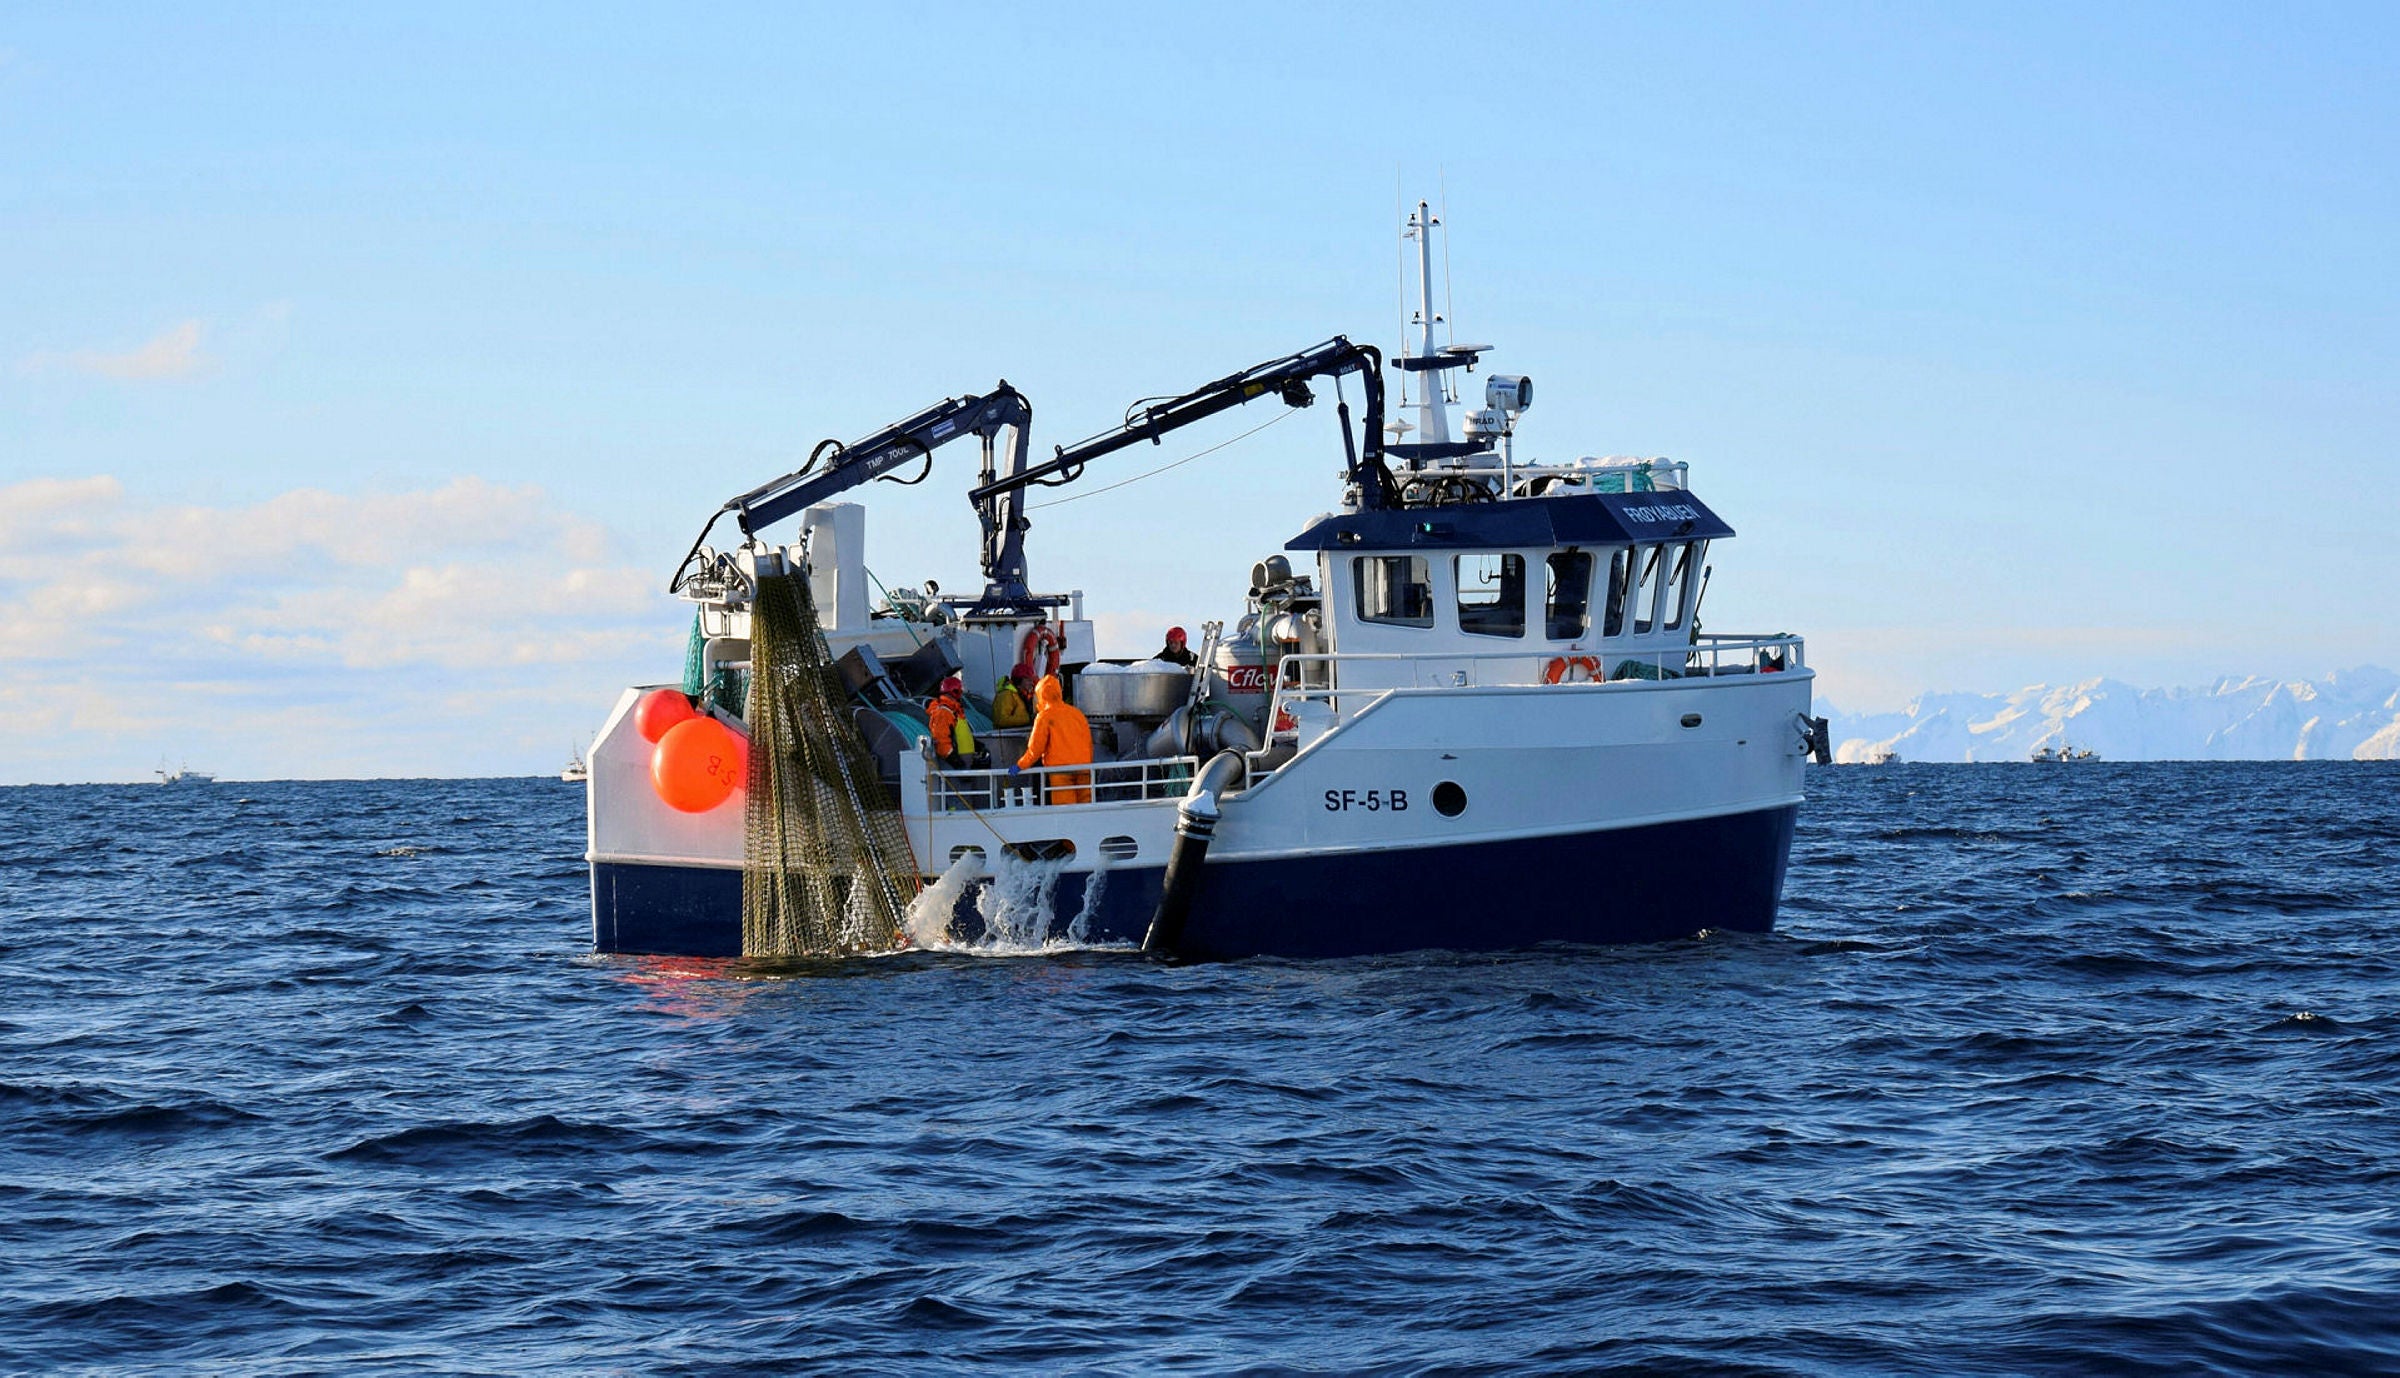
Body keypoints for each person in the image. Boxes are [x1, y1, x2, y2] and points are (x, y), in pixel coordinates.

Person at [1010, 673, 1092, 804]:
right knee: (1086, 806)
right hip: (1084, 768)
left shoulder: (1044, 716)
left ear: (1040, 695)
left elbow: (1035, 749)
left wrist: (1019, 765)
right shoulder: (1077, 714)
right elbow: (1089, 743)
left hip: (1060, 771)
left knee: (1065, 808)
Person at [925, 676, 983, 768]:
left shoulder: (955, 711)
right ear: (955, 692)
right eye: (960, 691)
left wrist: (976, 745)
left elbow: (959, 734)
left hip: (965, 763)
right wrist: (955, 761)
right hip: (954, 767)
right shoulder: (943, 712)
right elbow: (941, 741)